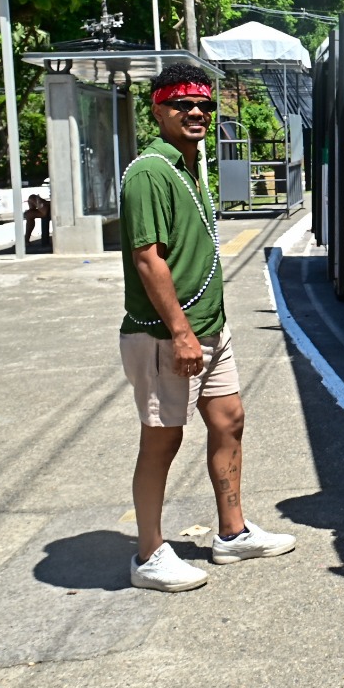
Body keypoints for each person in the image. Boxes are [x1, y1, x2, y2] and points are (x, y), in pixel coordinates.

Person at [118, 63, 295, 591]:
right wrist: (180, 332)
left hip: (207, 328)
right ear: (157, 109)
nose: (196, 113)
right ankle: (148, 555)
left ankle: (233, 534)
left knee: (229, 419)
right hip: (166, 334)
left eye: (204, 105)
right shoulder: (150, 171)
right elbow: (148, 259)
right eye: (182, 105)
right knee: (162, 440)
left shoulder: (191, 165)